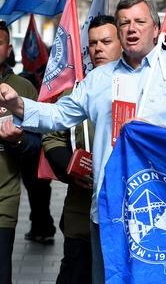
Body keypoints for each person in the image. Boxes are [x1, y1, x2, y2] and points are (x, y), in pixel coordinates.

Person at [0, 0, 166, 283]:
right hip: (108, 209)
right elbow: (58, 116)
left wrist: (160, 133)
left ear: (155, 29)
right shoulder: (99, 79)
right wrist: (18, 105)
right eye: (124, 22)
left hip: (163, 208)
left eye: (140, 21)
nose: (132, 28)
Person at [42, 15, 122, 284]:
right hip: (81, 211)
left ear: (122, 43)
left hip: (128, 214)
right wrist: (71, 168)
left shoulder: (143, 89)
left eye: (106, 42)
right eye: (93, 43)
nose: (98, 48)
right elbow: (53, 137)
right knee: (75, 273)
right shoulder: (77, 91)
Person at [0, 21, 42, 284]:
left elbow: (38, 148)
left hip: (4, 200)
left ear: (8, 49)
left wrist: (18, 141)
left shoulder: (22, 89)